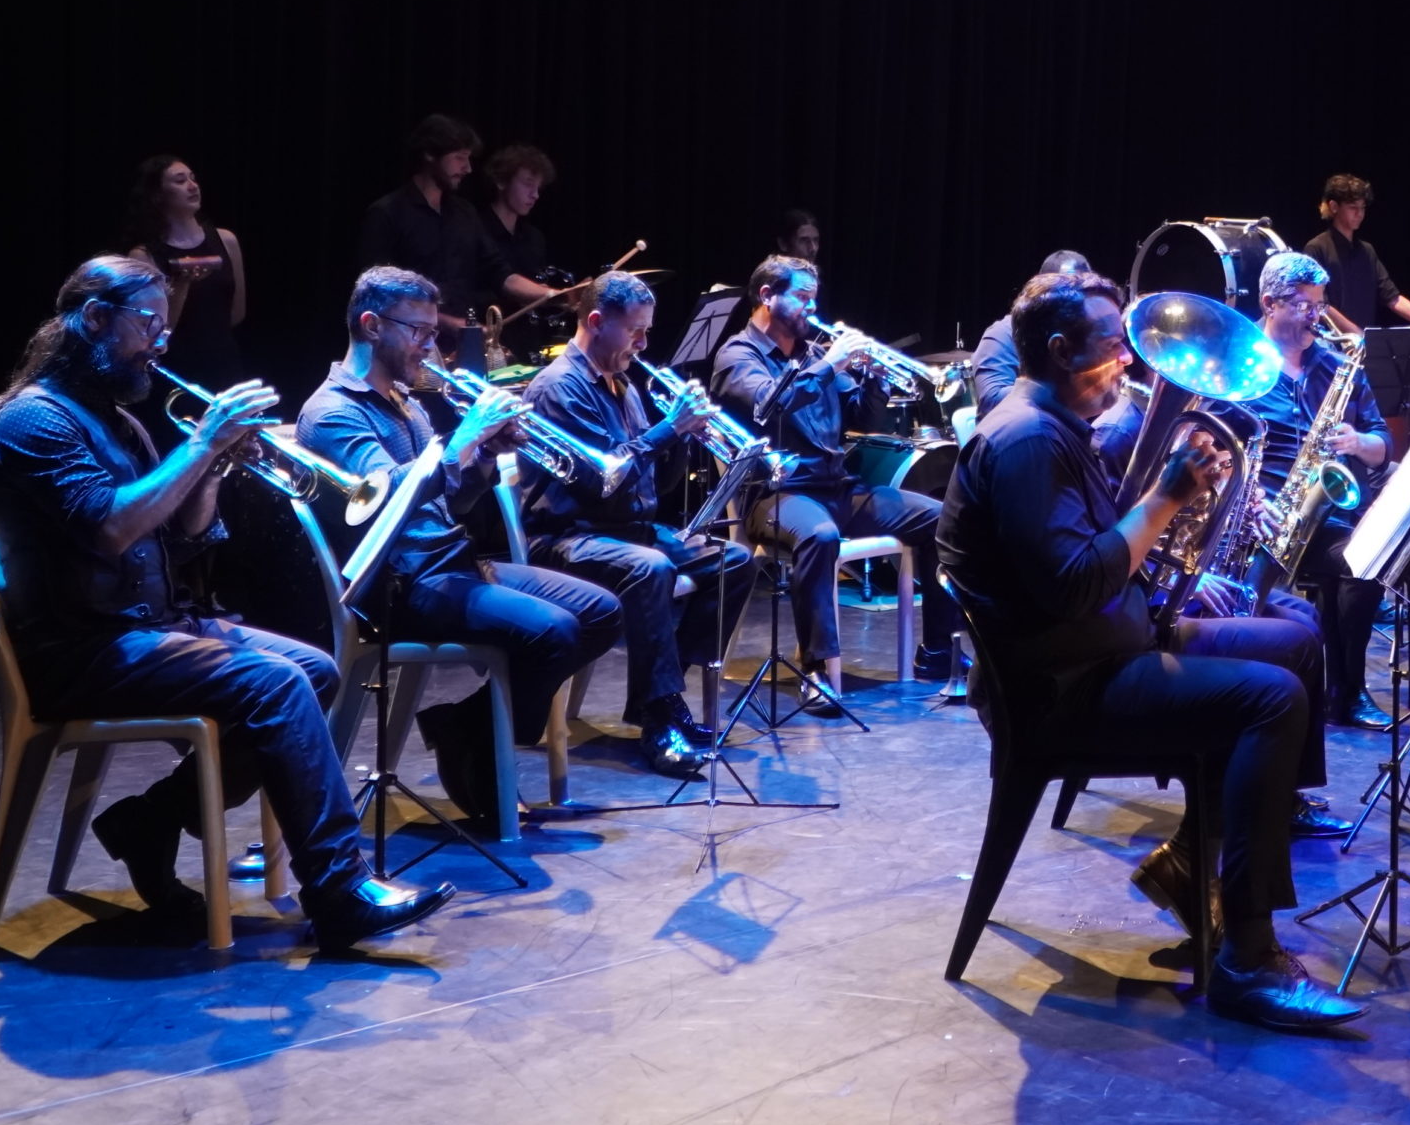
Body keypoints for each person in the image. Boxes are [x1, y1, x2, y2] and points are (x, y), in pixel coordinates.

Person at [0, 256, 455, 951]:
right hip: (81, 646)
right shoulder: (32, 420)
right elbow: (109, 528)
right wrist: (202, 441)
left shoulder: (119, 421)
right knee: (275, 683)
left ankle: (150, 819)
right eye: (149, 322)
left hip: (148, 625)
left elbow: (183, 539)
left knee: (316, 670)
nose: (162, 339)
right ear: (96, 319)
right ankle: (339, 890)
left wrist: (214, 466)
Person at [938, 271, 1365, 1031]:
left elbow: (1092, 556)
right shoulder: (1028, 441)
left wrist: (1182, 572)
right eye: (1113, 346)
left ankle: (1197, 861)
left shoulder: (1056, 426)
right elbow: (1075, 585)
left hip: (1099, 645)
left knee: (1296, 642)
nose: (1130, 362)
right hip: (1064, 689)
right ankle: (1247, 958)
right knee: (1271, 700)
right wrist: (1167, 497)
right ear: (1062, 351)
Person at [296, 267, 623, 819]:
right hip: (399, 583)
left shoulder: (405, 400)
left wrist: (486, 455)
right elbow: (385, 497)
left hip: (451, 561)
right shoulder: (333, 411)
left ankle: (464, 728)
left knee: (600, 611)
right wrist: (465, 437)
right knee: (554, 632)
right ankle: (481, 746)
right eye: (419, 332)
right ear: (372, 326)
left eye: (432, 332)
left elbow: (452, 501)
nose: (430, 346)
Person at [522, 271, 756, 778]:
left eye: (647, 331)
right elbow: (598, 481)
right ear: (596, 322)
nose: (644, 343)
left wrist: (685, 436)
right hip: (567, 535)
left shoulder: (623, 384)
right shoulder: (560, 387)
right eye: (635, 331)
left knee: (734, 560)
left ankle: (666, 699)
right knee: (650, 568)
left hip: (625, 531)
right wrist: (668, 429)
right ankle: (660, 717)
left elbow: (655, 483)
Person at [1253, 251, 1410, 729]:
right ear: (1269, 304)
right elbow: (1218, 448)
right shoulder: (1243, 368)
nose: (1315, 316)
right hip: (1279, 519)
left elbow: (1383, 443)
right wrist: (1253, 500)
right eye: (1303, 305)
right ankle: (1347, 690)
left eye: (1320, 304)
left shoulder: (1338, 366)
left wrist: (1360, 443)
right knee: (1361, 558)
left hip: (1347, 509)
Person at [710, 254, 955, 694]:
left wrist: (876, 380)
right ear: (767, 296)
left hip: (838, 489)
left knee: (941, 517)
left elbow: (863, 419)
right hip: (776, 494)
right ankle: (818, 670)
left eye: (814, 298)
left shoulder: (813, 352)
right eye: (802, 297)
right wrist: (831, 366)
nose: (812, 308)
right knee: (819, 536)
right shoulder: (737, 355)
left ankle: (938, 651)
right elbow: (770, 405)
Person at [358, 115, 540, 365]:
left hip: (460, 354)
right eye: (459, 158)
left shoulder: (465, 213)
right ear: (430, 155)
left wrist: (551, 294)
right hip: (406, 354)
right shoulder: (387, 214)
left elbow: (499, 273)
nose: (468, 168)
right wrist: (447, 323)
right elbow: (379, 297)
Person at [120, 155, 248, 406]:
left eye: (193, 178)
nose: (192, 186)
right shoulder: (144, 256)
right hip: (176, 372)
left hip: (224, 367)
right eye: (180, 181)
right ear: (158, 195)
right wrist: (182, 286)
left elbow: (236, 313)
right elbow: (155, 332)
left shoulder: (226, 240)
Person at [1301, 174, 1410, 331]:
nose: (1360, 213)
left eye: (1362, 207)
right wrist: (1357, 334)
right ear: (1334, 206)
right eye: (1353, 207)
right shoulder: (1316, 248)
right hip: (1330, 342)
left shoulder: (1367, 251)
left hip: (1362, 341)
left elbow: (1392, 298)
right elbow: (1320, 305)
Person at [971, 250, 1093, 416]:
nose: (1077, 298)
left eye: (1085, 290)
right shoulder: (1003, 333)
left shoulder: (1085, 332)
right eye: (1068, 289)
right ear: (1041, 290)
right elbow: (992, 399)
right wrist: (1069, 389)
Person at [480, 142, 558, 304]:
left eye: (538, 188)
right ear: (501, 181)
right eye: (528, 184)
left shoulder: (534, 238)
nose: (535, 195)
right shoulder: (475, 229)